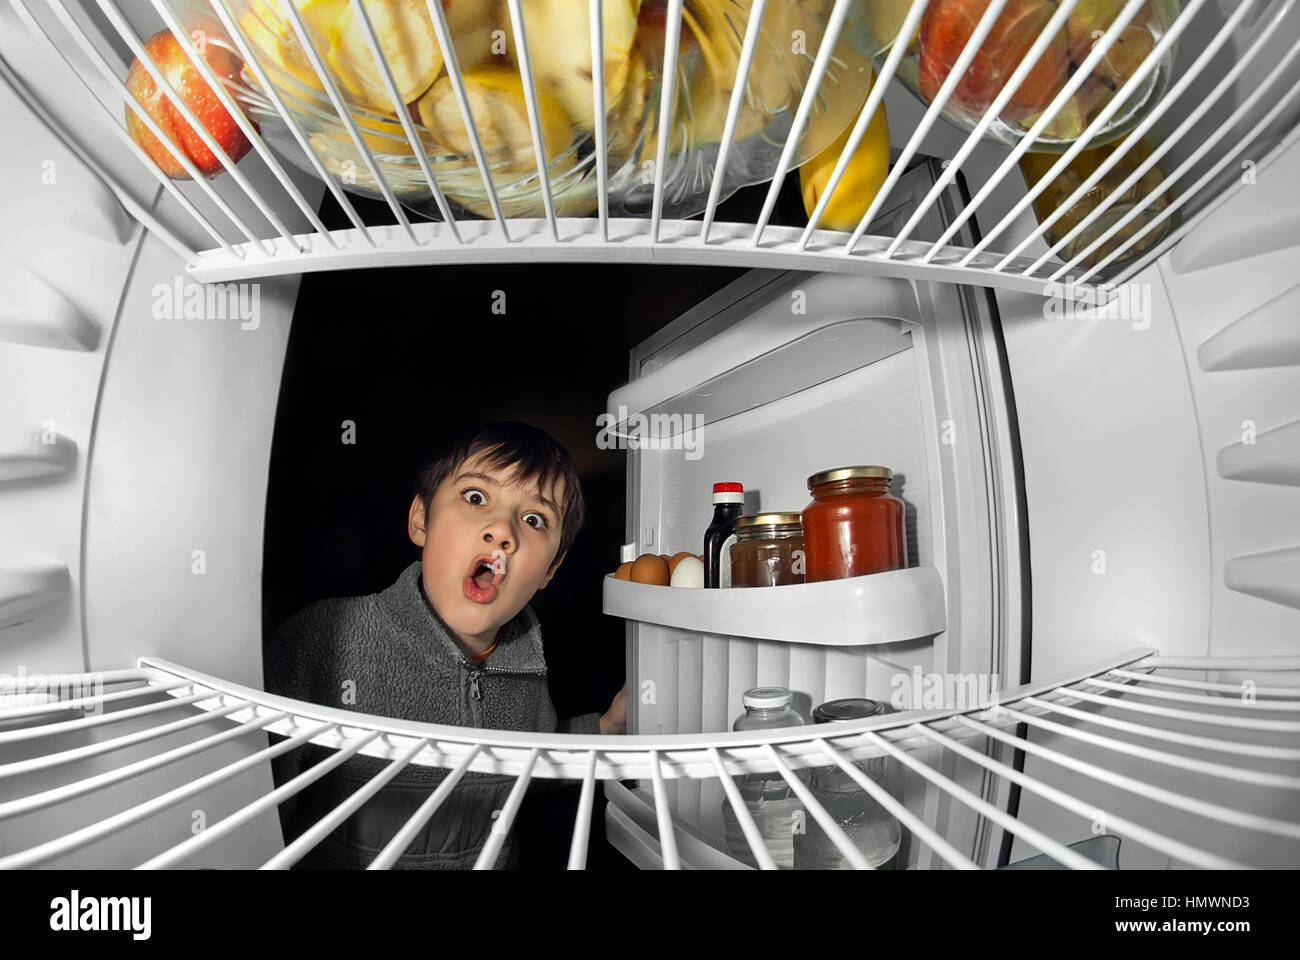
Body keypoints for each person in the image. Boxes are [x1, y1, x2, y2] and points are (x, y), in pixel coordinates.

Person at [264, 421, 626, 869]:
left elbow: (521, 766)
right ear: (421, 519)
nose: (501, 530)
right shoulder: (325, 638)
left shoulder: (529, 665)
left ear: (550, 569)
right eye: (476, 498)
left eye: (534, 519)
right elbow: (253, 804)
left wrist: (604, 729)